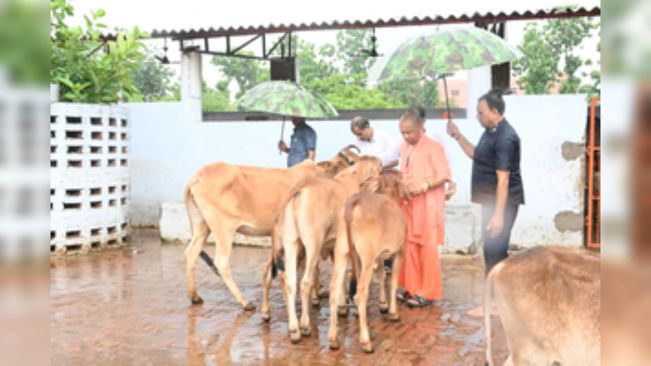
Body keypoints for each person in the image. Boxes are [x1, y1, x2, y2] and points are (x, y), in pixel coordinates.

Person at [446, 89, 524, 315]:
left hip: (502, 204)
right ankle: (498, 301)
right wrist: (457, 136)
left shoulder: (505, 138)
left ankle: (495, 304)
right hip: (490, 202)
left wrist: (498, 215)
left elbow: (503, 180)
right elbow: (476, 155)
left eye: (481, 113)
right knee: (492, 251)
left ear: (495, 111)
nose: (478, 117)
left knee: (495, 252)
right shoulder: (490, 131)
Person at [397, 108, 451, 307]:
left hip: (427, 205)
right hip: (409, 204)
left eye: (409, 132)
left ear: (420, 127)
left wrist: (425, 186)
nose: (406, 136)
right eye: (402, 132)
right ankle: (411, 287)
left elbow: (444, 174)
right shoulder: (404, 147)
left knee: (426, 248)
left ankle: (427, 293)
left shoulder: (433, 146)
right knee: (409, 246)